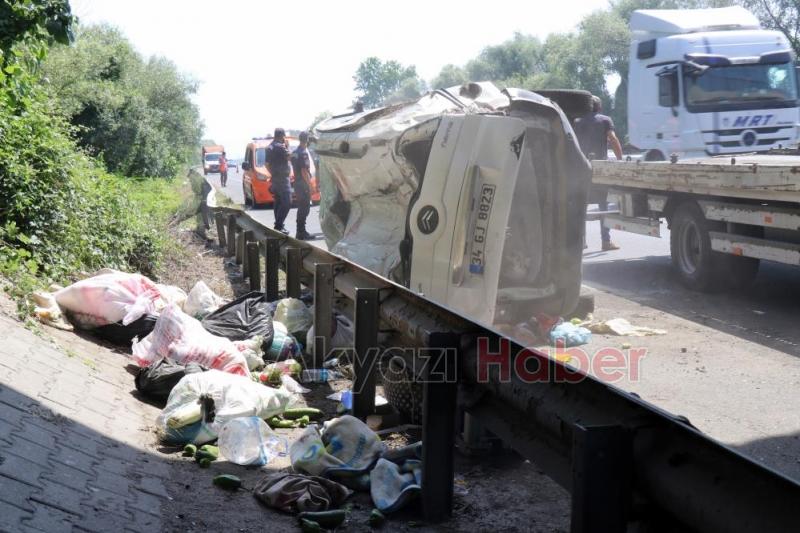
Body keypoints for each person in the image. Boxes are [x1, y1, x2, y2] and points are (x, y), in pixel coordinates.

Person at [573, 96, 623, 251]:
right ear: (599, 107)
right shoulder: (605, 120)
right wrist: (620, 159)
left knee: (581, 206)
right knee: (603, 205)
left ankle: (582, 242)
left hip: (582, 168)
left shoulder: (577, 122)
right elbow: (613, 140)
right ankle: (606, 242)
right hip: (599, 169)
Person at [265, 128, 292, 234]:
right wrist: (287, 146)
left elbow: (266, 164)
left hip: (275, 178)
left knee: (278, 201)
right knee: (287, 202)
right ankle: (279, 226)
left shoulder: (269, 147)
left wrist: (273, 173)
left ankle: (278, 225)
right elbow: (289, 157)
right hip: (282, 179)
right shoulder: (280, 146)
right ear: (282, 136)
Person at [291, 131, 316, 240]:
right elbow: (304, 171)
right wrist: (310, 185)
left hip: (297, 183)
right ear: (307, 140)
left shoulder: (295, 152)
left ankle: (300, 231)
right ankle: (301, 232)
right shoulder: (303, 153)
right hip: (303, 183)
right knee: (305, 208)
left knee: (301, 207)